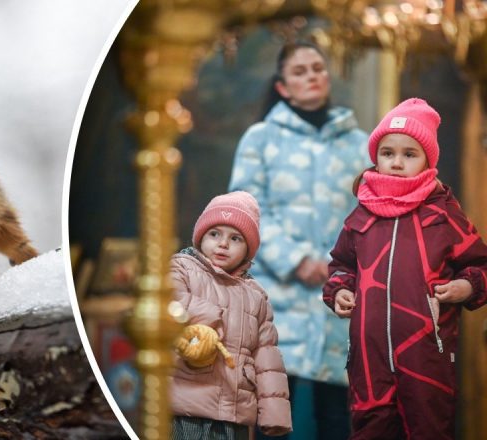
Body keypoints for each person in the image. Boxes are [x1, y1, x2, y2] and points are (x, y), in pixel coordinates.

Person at [323, 97, 487, 439]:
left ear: (428, 160)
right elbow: (341, 265)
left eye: (409, 154)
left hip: (426, 360)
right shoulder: (362, 214)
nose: (396, 163)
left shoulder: (443, 215)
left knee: (429, 430)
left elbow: (480, 266)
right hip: (369, 363)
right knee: (370, 431)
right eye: (387, 153)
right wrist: (340, 290)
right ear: (376, 157)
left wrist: (466, 287)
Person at [228, 41, 368, 439]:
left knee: (339, 417)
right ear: (283, 86)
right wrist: (296, 260)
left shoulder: (358, 143)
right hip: (279, 298)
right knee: (273, 418)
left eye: (318, 68)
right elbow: (246, 211)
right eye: (300, 71)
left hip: (340, 299)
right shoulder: (260, 139)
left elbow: (371, 215)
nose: (312, 76)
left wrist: (341, 267)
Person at [169, 191, 292, 439]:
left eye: (235, 238)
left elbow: (267, 358)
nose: (223, 244)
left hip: (234, 412)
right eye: (215, 234)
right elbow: (171, 304)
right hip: (187, 403)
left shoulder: (256, 295)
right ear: (201, 236)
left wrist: (274, 414)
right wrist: (218, 316)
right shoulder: (181, 267)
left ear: (248, 249)